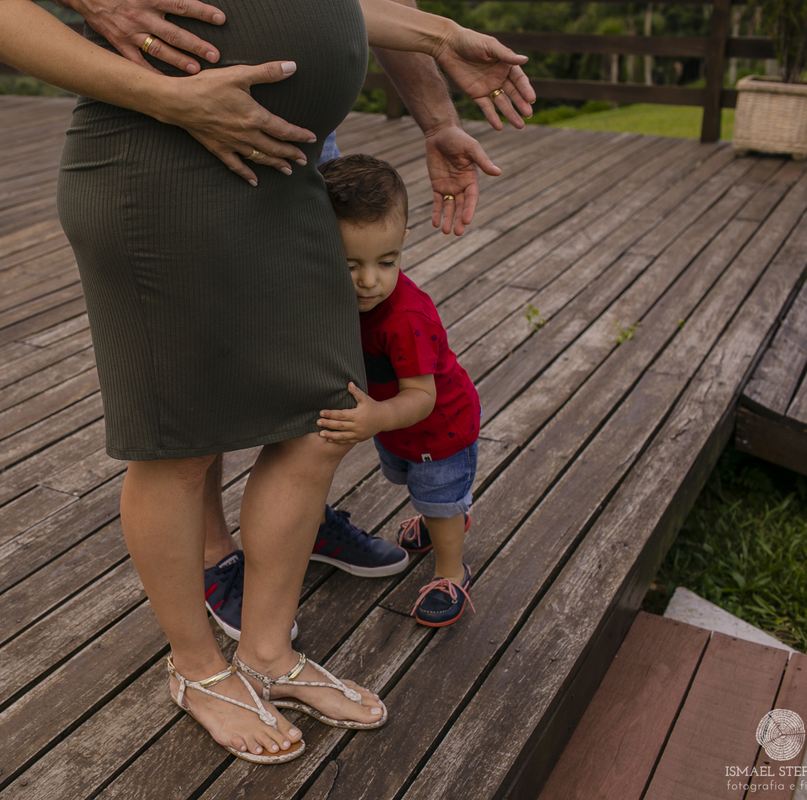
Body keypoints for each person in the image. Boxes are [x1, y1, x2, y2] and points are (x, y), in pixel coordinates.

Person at [0, 0, 529, 765]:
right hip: (160, 163)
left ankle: (266, 653)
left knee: (323, 416)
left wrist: (444, 37)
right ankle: (196, 670)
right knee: (179, 445)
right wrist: (168, 96)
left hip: (287, 176)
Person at [51, 0, 534, 640]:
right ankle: (215, 561)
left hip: (301, 149)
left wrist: (441, 64)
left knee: (315, 388)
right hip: (172, 145)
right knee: (195, 409)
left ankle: (291, 550)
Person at [317, 154, 479, 627]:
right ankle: (441, 519)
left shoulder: (406, 319)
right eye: (351, 265)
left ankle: (452, 570)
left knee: (437, 496)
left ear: (404, 242)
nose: (370, 281)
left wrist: (375, 419)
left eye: (387, 262)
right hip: (399, 430)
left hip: (440, 432)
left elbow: (422, 397)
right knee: (414, 485)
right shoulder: (349, 299)